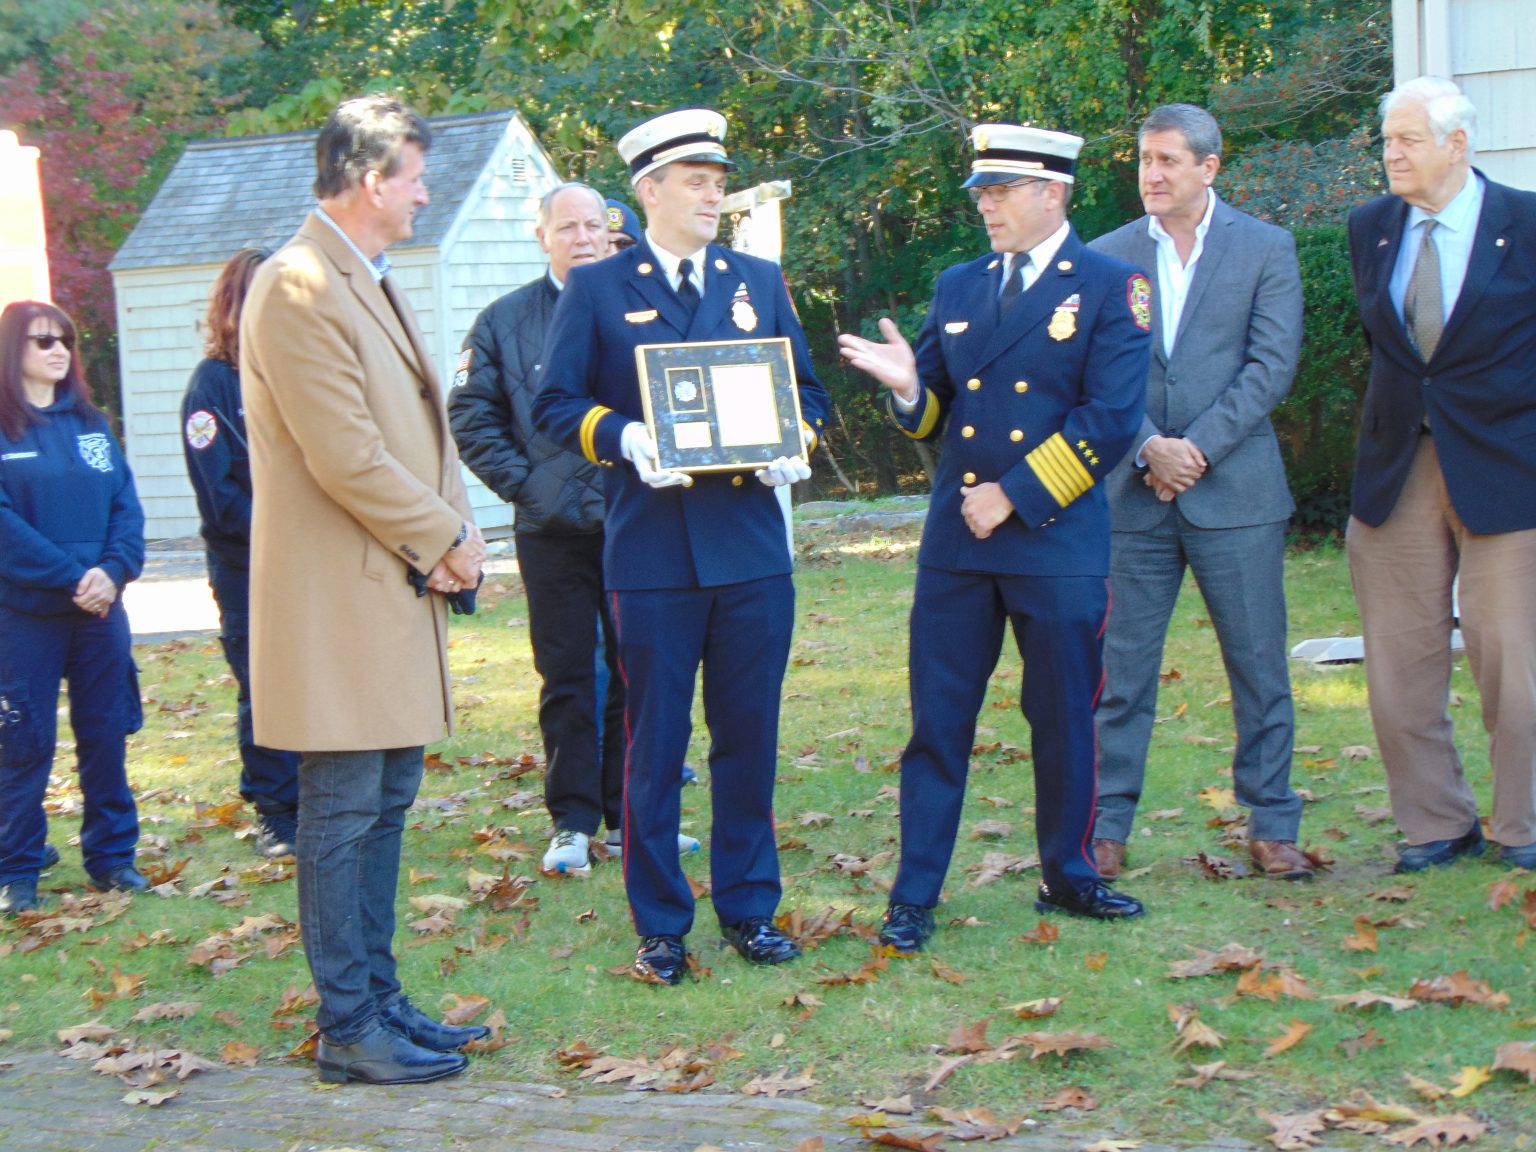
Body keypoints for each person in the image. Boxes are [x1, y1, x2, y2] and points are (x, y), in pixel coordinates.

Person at [533, 108, 830, 985]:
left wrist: (792, 442)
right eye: (697, 181)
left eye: (718, 179)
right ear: (649, 191)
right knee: (655, 744)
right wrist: (627, 439)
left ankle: (749, 907)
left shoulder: (757, 279)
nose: (713, 193)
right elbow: (555, 406)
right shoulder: (597, 289)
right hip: (654, 554)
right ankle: (661, 921)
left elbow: (807, 395)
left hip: (749, 552)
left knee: (749, 738)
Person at [838, 123, 1151, 952]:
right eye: (981, 192)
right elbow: (937, 407)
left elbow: (1112, 420)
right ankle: (914, 894)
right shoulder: (961, 285)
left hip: (1053, 541)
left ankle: (1071, 874)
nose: (985, 205)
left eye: (1000, 190)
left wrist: (1012, 496)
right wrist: (910, 391)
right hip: (959, 550)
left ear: (1054, 193)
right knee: (938, 722)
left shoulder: (1113, 286)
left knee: (1063, 718)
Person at [241, 95, 489, 1084]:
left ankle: (380, 1002)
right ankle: (349, 1026)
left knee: (385, 801)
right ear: (372, 178)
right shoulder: (295, 283)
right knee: (343, 809)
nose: (426, 194)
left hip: (392, 586)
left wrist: (455, 535)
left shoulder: (363, 276)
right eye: (417, 177)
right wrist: (445, 539)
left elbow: (422, 430)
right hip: (338, 600)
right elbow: (344, 453)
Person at [450, 182, 699, 876]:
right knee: (567, 674)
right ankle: (572, 823)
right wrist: (530, 486)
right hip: (553, 532)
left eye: (594, 225)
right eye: (568, 227)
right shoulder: (503, 322)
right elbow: (470, 416)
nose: (583, 237)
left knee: (641, 672)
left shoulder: (647, 305)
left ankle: (632, 819)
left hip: (641, 522)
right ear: (542, 237)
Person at [1088, 104, 1309, 881]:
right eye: (1144, 159)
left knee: (1258, 667)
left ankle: (1273, 822)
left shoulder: (1265, 248)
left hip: (1238, 495)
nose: (1151, 174)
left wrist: (1197, 450)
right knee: (1119, 674)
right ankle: (1104, 827)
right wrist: (1149, 444)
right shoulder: (1105, 255)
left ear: (1209, 168)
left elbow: (1270, 367)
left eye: (1168, 161)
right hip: (1132, 497)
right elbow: (1097, 372)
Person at [1346, 76, 1536, 874]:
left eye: (1408, 139)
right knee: (1398, 662)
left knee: (1512, 655)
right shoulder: (1371, 227)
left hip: (1508, 468)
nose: (1391, 153)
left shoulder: (1525, 223)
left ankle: (1523, 825)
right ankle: (1434, 823)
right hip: (1398, 466)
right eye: (1387, 139)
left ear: (1458, 145)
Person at [0, 300, 147, 916]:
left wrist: (112, 572)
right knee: (23, 742)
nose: (57, 351)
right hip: (26, 615)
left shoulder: (93, 425)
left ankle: (112, 859)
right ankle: (17, 870)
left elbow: (126, 506)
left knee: (106, 734)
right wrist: (69, 577)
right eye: (41, 342)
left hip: (99, 614)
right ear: (14, 352)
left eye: (64, 340)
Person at [181, 247, 302, 861]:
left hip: (311, 566)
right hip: (249, 568)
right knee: (265, 687)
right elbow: (221, 496)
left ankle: (314, 803)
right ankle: (275, 811)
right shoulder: (213, 386)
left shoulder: (298, 374)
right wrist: (286, 538)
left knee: (310, 682)